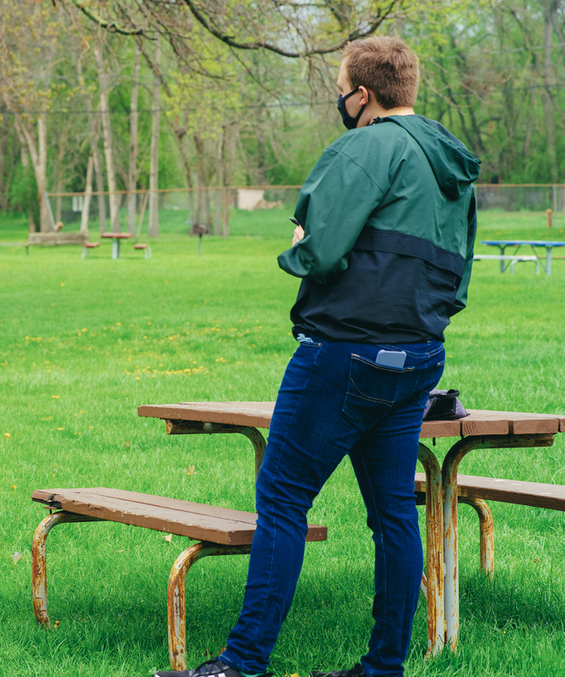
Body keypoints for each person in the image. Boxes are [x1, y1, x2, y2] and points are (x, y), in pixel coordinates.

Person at [156, 37, 479, 677]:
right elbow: (457, 272)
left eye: (340, 86)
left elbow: (319, 249)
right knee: (392, 511)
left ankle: (243, 664)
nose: (339, 97)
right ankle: (385, 666)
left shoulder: (363, 146)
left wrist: (299, 246)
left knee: (281, 500)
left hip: (345, 352)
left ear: (362, 93)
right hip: (418, 355)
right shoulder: (451, 164)